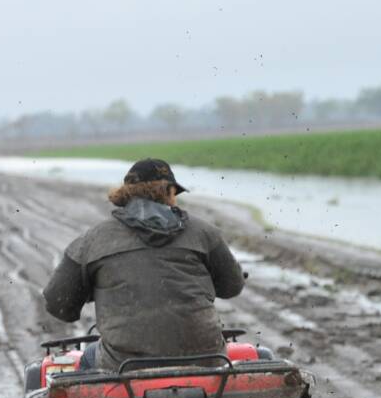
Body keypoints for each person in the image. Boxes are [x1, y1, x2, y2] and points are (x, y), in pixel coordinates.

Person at [43, 158, 245, 372]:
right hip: (208, 358)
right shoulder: (204, 233)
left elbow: (58, 305)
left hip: (124, 366)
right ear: (168, 191)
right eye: (174, 193)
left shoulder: (93, 240)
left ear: (126, 194)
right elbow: (232, 287)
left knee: (87, 358)